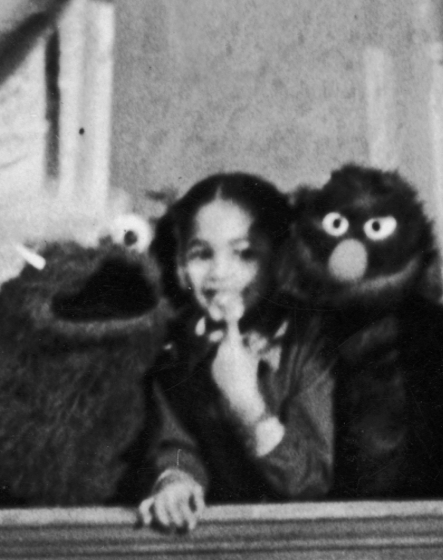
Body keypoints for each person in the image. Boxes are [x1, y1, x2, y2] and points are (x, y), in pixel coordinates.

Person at [137, 170, 331, 529]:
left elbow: (315, 484)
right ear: (180, 262)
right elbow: (177, 444)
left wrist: (249, 408)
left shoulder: (310, 345)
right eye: (201, 254)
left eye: (244, 254)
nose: (219, 273)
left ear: (279, 259)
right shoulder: (180, 350)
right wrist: (177, 481)